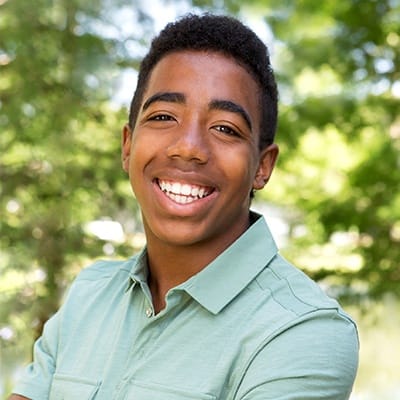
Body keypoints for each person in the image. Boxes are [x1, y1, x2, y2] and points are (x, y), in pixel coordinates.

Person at [9, 13, 359, 400]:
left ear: (262, 166)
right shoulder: (90, 295)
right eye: (163, 117)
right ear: (128, 146)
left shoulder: (303, 332)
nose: (188, 147)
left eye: (225, 128)